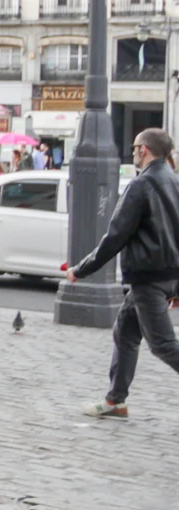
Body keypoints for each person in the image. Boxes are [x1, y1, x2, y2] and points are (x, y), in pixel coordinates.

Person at [66, 127, 179, 418]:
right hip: (164, 277)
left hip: (148, 278)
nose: (132, 152)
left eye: (135, 147)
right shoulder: (173, 181)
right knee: (126, 333)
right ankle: (116, 400)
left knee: (163, 345)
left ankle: (115, 400)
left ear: (145, 150)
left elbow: (115, 236)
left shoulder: (141, 185)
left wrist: (82, 268)